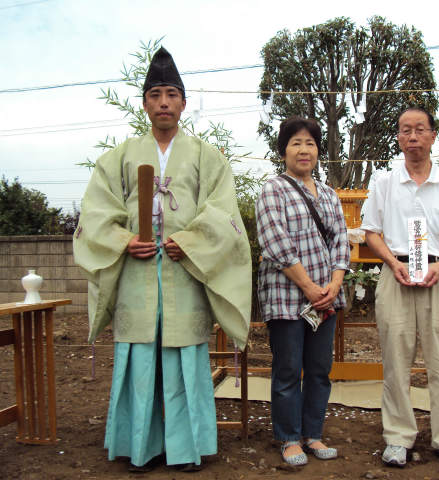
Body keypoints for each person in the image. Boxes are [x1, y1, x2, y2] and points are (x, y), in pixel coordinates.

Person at [73, 47, 251, 472]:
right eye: (156, 95)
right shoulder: (118, 157)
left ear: (184, 103)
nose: (164, 102)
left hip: (184, 272)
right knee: (139, 360)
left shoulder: (209, 157)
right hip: (136, 272)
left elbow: (224, 211)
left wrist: (189, 241)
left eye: (172, 94)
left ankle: (187, 449)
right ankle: (140, 448)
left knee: (183, 360)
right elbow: (95, 212)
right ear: (145, 103)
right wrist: (121, 240)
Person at [361, 107, 439, 471]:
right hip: (395, 273)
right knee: (396, 360)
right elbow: (371, 233)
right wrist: (392, 262)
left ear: (432, 135)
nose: (412, 136)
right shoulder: (383, 182)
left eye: (420, 129)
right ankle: (397, 437)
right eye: (405, 131)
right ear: (398, 138)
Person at [256, 116, 350, 466]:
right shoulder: (272, 189)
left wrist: (334, 284)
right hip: (287, 296)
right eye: (295, 142)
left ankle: (313, 433)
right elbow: (274, 242)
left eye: (310, 142)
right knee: (287, 368)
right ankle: (288, 437)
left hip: (326, 297)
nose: (304, 149)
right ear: (283, 150)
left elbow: (341, 239)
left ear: (318, 150)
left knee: (319, 369)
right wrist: (310, 287)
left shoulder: (328, 194)